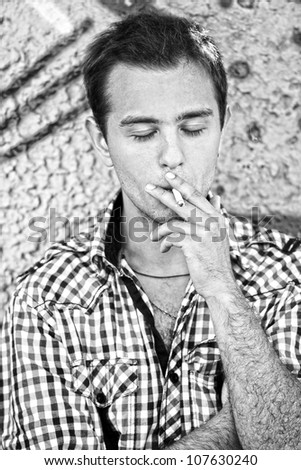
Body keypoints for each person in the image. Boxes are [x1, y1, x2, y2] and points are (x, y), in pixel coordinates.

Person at [1, 10, 301, 450]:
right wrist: (234, 423)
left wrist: (221, 288)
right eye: (143, 134)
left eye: (194, 128)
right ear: (101, 142)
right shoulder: (47, 299)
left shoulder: (289, 273)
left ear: (223, 127)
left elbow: (289, 450)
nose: (172, 156)